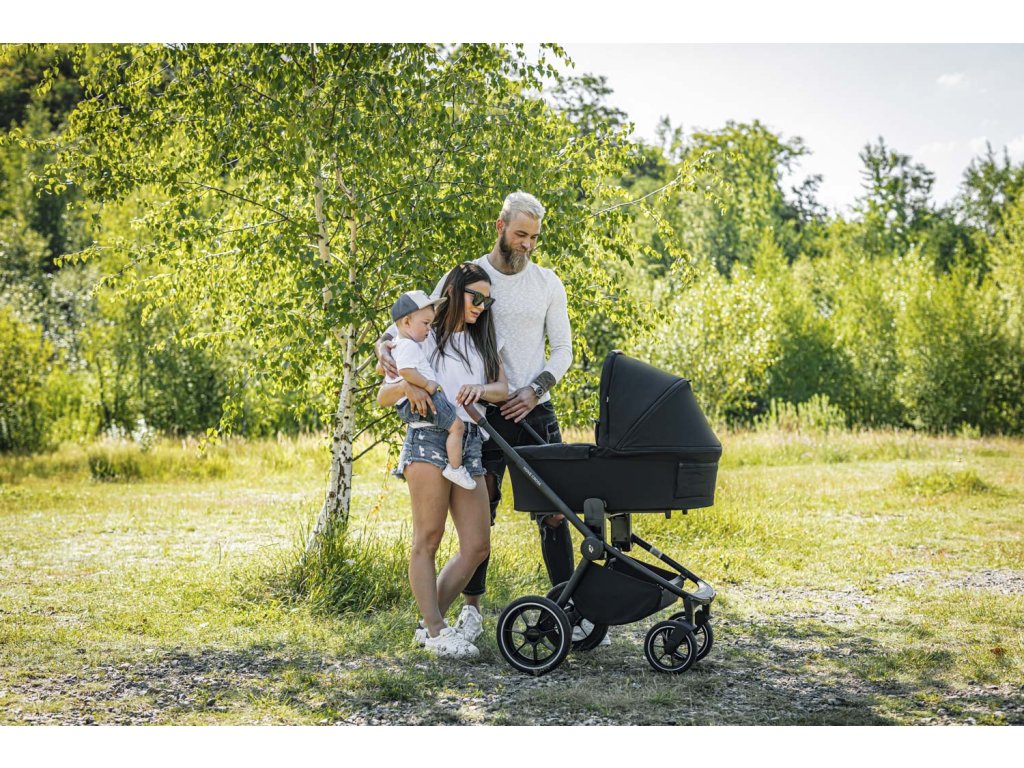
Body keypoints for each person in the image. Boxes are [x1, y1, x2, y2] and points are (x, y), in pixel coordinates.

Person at [376, 191, 578, 645]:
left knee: (555, 509)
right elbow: (414, 322)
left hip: (529, 407)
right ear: (500, 227)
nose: (527, 244)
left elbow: (563, 349)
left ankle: (570, 609)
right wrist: (384, 345)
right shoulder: (467, 276)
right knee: (482, 508)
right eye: (521, 234)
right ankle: (467, 612)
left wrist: (534, 390)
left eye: (534, 237)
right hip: (474, 419)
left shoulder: (547, 282)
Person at [377, 263, 509, 659]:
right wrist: (408, 385)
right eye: (476, 297)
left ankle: (428, 625)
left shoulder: (482, 340)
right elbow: (384, 395)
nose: (482, 306)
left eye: (487, 300)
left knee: (477, 545)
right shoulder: (423, 336)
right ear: (453, 293)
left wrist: (480, 389)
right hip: (428, 440)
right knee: (428, 538)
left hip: (470, 443)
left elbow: (502, 389)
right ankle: (437, 630)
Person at [386, 289, 476, 491]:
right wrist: (427, 385)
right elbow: (405, 371)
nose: (429, 329)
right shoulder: (408, 346)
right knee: (457, 427)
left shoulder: (399, 345)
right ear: (407, 322)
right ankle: (455, 468)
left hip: (410, 402)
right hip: (423, 399)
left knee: (453, 426)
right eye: (425, 323)